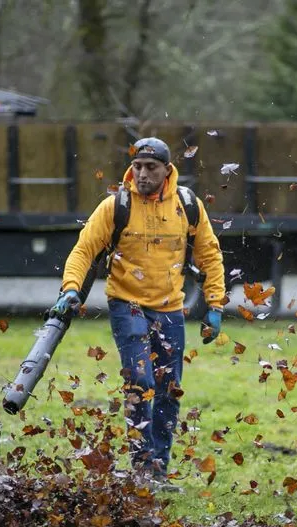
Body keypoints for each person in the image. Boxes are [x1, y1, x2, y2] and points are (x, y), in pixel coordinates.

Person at [51, 137, 226, 487]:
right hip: (126, 304)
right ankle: (142, 466)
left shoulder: (187, 205)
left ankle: (158, 468)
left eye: (151, 167)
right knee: (140, 381)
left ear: (167, 170)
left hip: (170, 309)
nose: (142, 174)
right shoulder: (116, 205)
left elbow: (209, 254)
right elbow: (84, 250)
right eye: (137, 166)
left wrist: (216, 304)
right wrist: (70, 288)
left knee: (168, 387)